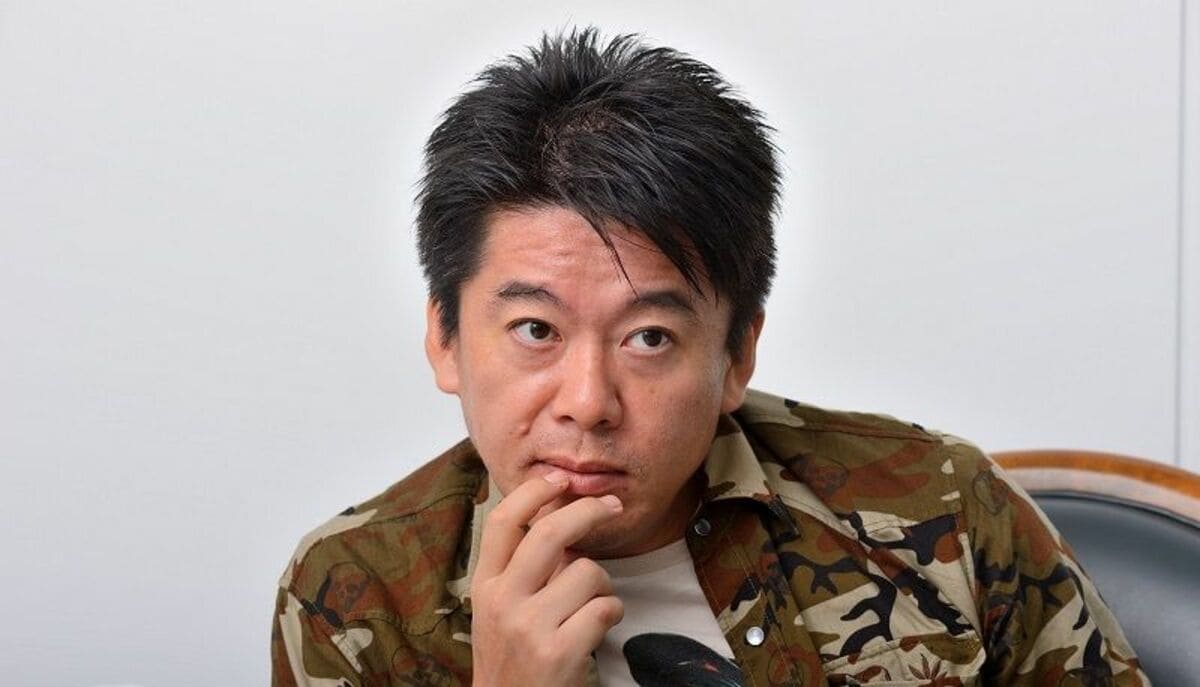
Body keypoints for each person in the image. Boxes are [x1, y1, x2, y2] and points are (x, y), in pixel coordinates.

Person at [271, 28, 1147, 686]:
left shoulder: (948, 507)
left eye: (649, 337)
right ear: (445, 338)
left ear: (736, 355)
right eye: (536, 330)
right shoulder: (354, 596)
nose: (588, 401)